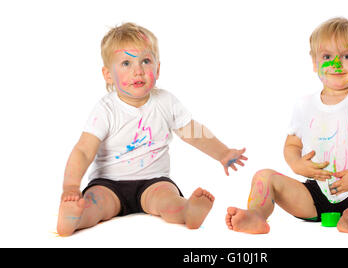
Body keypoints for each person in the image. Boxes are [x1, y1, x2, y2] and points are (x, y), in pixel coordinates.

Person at [57, 22, 247, 236]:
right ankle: (74, 218)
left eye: (145, 61)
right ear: (108, 74)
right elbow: (83, 150)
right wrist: (71, 186)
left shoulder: (166, 102)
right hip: (108, 184)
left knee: (167, 200)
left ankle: (187, 211)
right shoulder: (106, 109)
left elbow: (193, 132)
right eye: (126, 63)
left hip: (154, 182)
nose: (138, 71)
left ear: (157, 68)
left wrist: (223, 153)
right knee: (96, 203)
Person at [225, 17, 348, 234]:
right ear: (315, 63)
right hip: (313, 195)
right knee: (263, 176)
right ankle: (256, 215)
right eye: (327, 56)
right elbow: (291, 146)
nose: (336, 64)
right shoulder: (304, 105)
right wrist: (297, 165)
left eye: (346, 56)